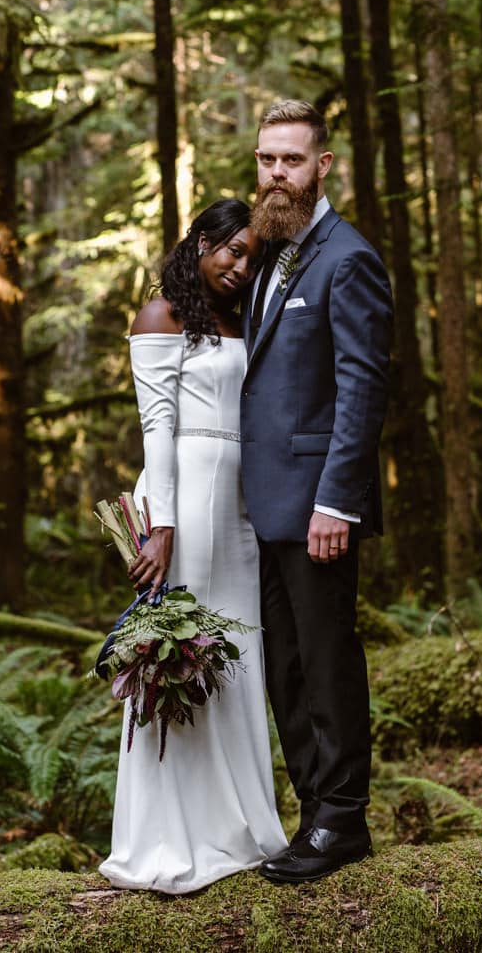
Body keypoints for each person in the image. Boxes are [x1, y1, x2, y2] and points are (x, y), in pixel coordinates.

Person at [98, 198, 288, 894]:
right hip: (184, 498)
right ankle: (167, 837)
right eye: (230, 250)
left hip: (241, 504)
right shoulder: (162, 317)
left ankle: (241, 827)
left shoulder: (245, 319)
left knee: (237, 655)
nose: (240, 267)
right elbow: (158, 429)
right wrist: (164, 522)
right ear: (201, 241)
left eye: (251, 257)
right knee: (181, 656)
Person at [241, 100, 392, 883]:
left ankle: (344, 820)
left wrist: (338, 501)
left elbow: (361, 389)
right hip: (263, 508)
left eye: (291, 160)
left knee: (329, 660)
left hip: (317, 509)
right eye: (267, 159)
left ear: (323, 165)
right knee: (284, 667)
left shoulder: (348, 257)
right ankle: (311, 817)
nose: (277, 174)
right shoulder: (269, 253)